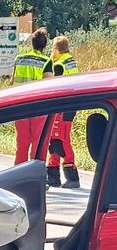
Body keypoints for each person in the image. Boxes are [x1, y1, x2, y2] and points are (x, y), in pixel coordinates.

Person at [10, 28, 52, 164]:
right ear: (45, 45)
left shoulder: (19, 59)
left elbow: (12, 83)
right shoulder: (46, 61)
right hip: (39, 107)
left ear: (32, 44)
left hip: (20, 106)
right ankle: (35, 173)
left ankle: (18, 172)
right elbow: (50, 85)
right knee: (38, 142)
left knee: (22, 142)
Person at [47, 35, 81, 188]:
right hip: (70, 105)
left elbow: (56, 87)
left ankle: (72, 175)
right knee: (54, 141)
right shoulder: (70, 60)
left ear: (56, 49)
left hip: (62, 107)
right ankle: (53, 176)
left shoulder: (59, 64)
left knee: (62, 140)